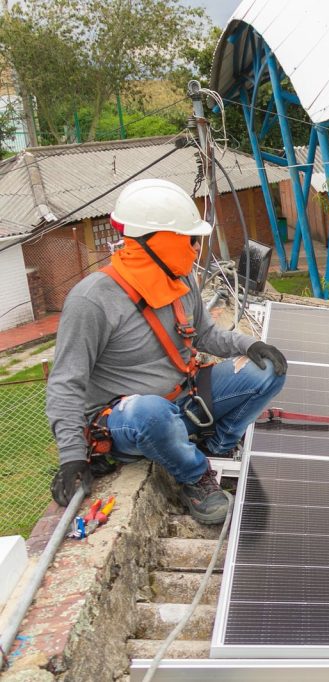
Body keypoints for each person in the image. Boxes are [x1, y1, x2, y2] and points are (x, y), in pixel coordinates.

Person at [46, 178, 288, 524]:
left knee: (267, 370)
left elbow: (205, 334)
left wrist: (251, 345)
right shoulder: (93, 300)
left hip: (186, 397)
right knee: (151, 413)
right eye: (188, 241)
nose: (194, 250)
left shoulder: (181, 278)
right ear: (156, 242)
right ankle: (195, 476)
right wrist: (72, 457)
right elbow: (64, 383)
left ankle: (214, 447)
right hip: (130, 418)